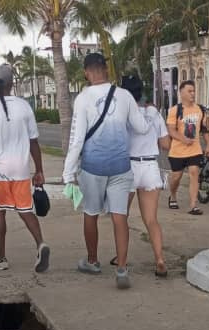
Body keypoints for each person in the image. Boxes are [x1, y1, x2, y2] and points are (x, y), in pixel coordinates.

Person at [63, 53, 149, 289]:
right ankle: (121, 269)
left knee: (90, 213)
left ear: (86, 72)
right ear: (106, 70)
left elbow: (77, 139)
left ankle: (92, 261)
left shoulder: (82, 99)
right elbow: (141, 127)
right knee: (120, 216)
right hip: (121, 166)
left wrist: (68, 172)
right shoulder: (125, 96)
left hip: (93, 167)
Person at [0, 64, 50, 273]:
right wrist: (40, 170)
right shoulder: (24, 107)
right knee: (25, 210)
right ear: (12, 84)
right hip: (21, 171)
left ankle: (2, 258)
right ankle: (40, 243)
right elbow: (34, 142)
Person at [121, 74, 171, 277]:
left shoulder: (123, 114)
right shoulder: (154, 113)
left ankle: (121, 260)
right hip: (150, 166)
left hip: (129, 166)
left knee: (120, 217)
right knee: (151, 219)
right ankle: (159, 258)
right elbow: (166, 144)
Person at [165, 80, 208, 215]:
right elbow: (171, 130)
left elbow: (205, 129)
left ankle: (193, 205)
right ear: (181, 92)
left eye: (193, 91)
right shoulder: (174, 110)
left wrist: (208, 145)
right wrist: (183, 139)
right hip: (177, 151)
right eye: (189, 91)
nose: (192, 94)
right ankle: (173, 195)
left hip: (194, 150)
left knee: (194, 173)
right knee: (176, 177)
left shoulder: (200, 109)